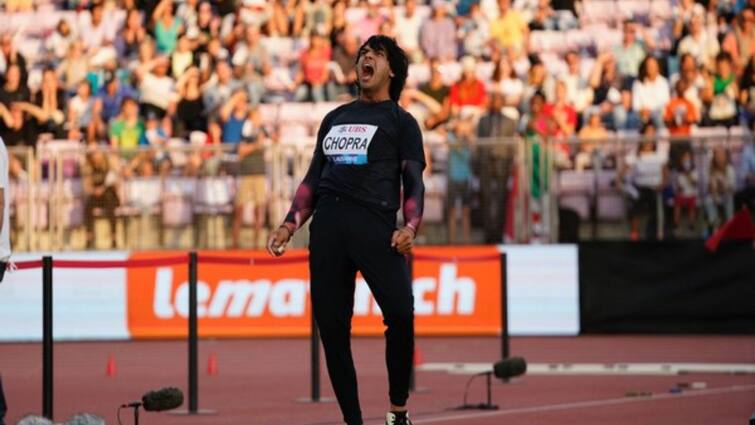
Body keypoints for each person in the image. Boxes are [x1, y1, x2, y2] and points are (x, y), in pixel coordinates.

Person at [267, 35, 423, 425]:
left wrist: (412, 226)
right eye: (362, 53)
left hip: (375, 226)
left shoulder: (401, 122)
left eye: (377, 53)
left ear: (392, 71)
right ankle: (352, 421)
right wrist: (290, 223)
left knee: (402, 313)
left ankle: (398, 411)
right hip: (328, 230)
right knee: (333, 331)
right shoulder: (333, 119)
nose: (365, 56)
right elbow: (312, 179)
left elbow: (415, 181)